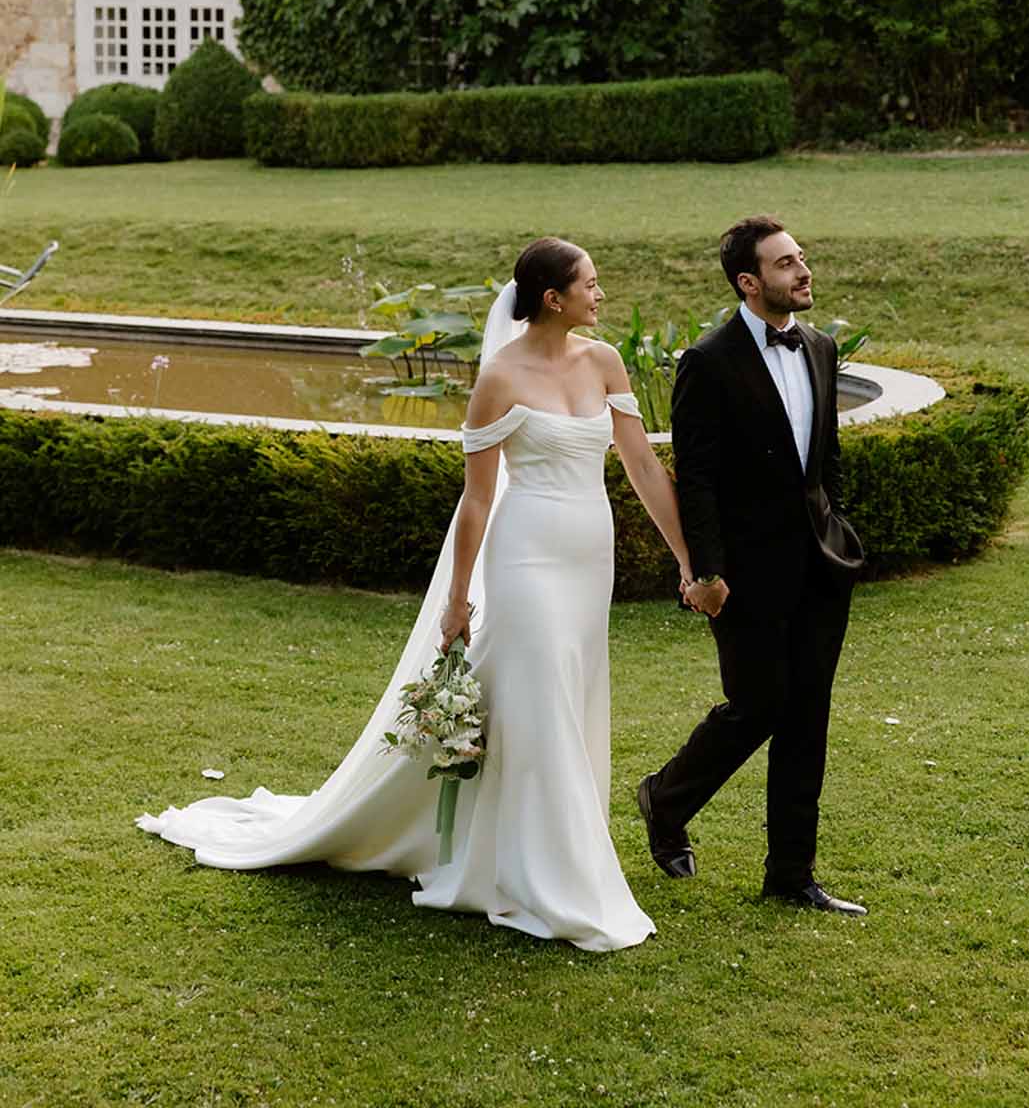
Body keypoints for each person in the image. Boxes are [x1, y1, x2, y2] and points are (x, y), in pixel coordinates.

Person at [138, 237, 694, 953]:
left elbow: (644, 465)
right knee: (543, 696)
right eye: (590, 284)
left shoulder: (605, 361)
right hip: (523, 555)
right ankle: (552, 881)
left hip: (590, 553)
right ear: (553, 299)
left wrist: (686, 558)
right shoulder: (500, 376)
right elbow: (476, 501)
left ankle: (537, 854)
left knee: (566, 697)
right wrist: (458, 600)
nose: (601, 294)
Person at [637, 215, 867, 914]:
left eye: (803, 257)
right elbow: (697, 477)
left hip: (821, 564)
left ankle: (791, 875)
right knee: (759, 704)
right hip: (744, 571)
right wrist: (705, 572)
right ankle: (665, 799)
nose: (804, 272)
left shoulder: (821, 348)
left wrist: (840, 531)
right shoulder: (708, 361)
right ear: (749, 282)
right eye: (787, 264)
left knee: (808, 716)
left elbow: (822, 460)